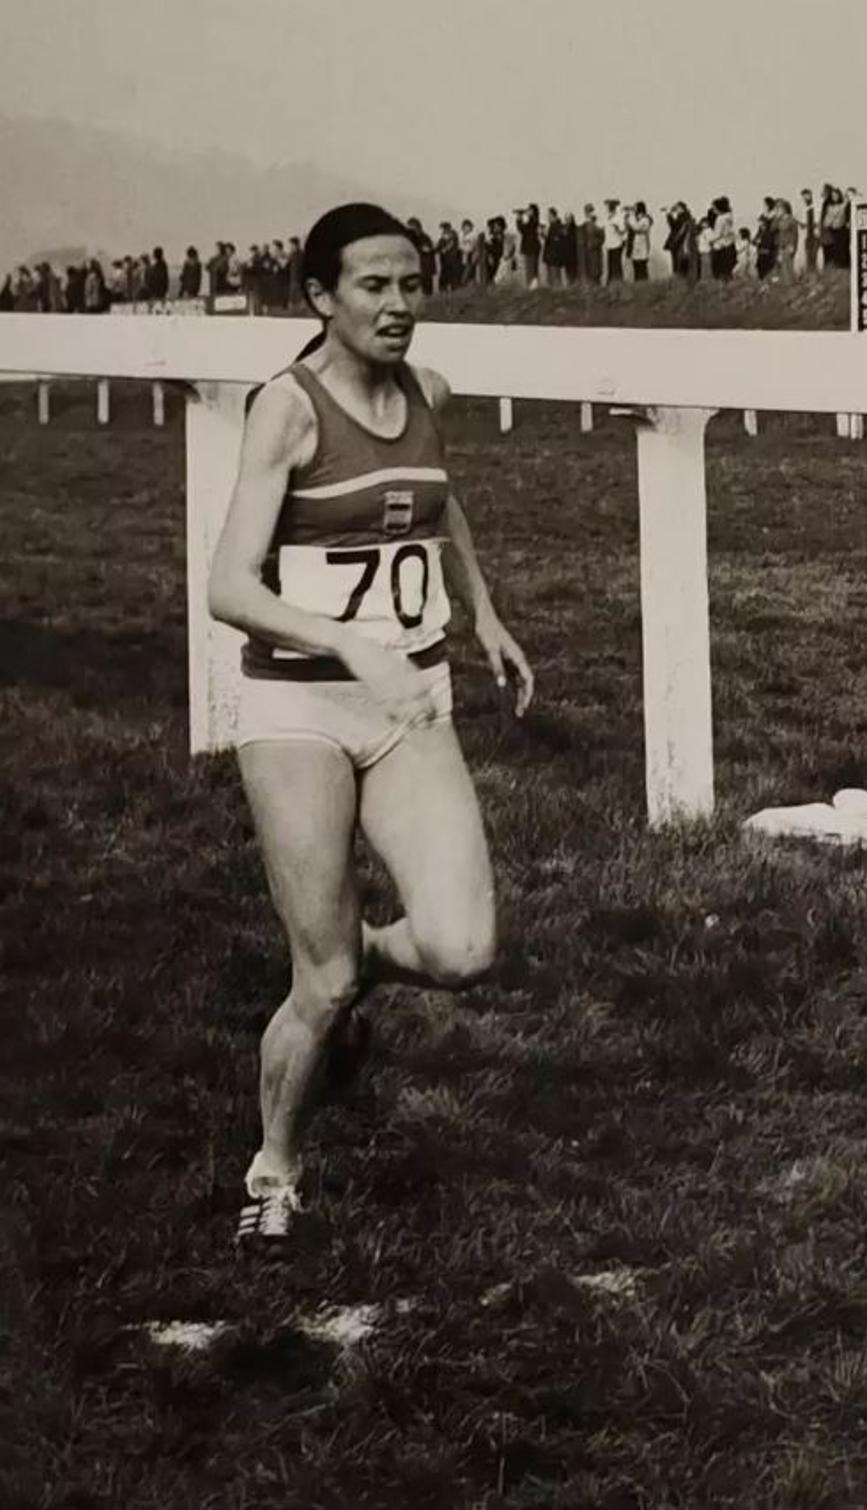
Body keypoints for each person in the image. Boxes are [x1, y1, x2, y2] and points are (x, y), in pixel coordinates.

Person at [207, 203, 533, 1249]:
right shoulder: (287, 411)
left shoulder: (428, 392)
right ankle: (275, 1168)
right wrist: (351, 644)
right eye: (374, 287)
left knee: (467, 947)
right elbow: (227, 587)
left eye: (412, 285)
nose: (400, 307)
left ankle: (351, 963)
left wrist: (480, 611)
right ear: (320, 297)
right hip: (298, 708)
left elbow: (435, 503)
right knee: (327, 981)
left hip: (408, 701)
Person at [709, 196, 736, 280]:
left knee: (718, 272)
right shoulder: (729, 216)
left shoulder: (720, 219)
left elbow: (718, 234)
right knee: (727, 272)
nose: (713, 210)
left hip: (720, 247)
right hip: (730, 245)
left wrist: (710, 241)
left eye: (714, 208)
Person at [517, 204, 542, 287]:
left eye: (529, 210)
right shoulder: (532, 221)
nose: (527, 211)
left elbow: (523, 230)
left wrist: (519, 218)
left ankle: (532, 286)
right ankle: (532, 285)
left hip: (531, 248)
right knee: (531, 269)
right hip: (531, 247)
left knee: (531, 269)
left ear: (533, 211)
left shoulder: (533, 221)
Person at [628, 201, 653, 281]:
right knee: (636, 266)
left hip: (642, 245)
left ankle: (643, 284)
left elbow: (636, 228)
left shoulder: (645, 219)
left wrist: (631, 217)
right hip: (637, 245)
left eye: (635, 208)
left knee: (642, 267)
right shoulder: (638, 219)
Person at [602, 200, 625, 284]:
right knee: (610, 265)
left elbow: (622, 230)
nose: (610, 208)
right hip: (609, 244)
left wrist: (617, 228)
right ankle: (610, 282)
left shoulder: (618, 217)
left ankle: (618, 281)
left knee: (617, 265)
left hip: (617, 243)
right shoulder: (607, 218)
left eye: (611, 207)